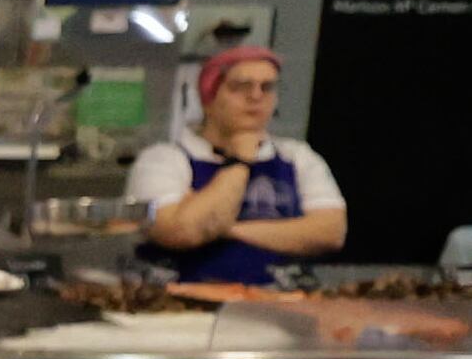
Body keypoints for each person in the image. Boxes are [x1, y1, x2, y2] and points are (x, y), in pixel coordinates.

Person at [127, 43, 347, 284]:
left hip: (282, 305)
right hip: (182, 310)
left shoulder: (298, 157)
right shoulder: (163, 160)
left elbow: (330, 233)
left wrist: (225, 227)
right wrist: (239, 162)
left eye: (267, 87)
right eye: (241, 86)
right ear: (208, 98)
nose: (256, 96)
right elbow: (179, 232)